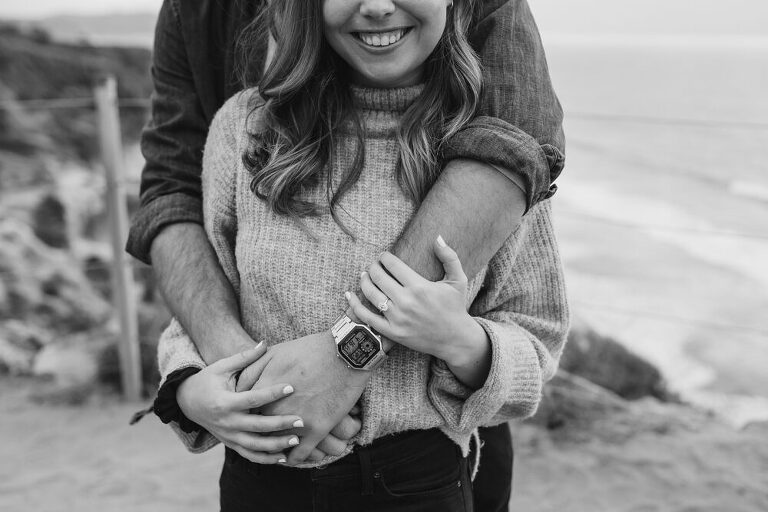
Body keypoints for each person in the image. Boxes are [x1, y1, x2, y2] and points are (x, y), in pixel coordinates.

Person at [128, 0, 565, 510]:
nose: (377, 6)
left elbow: (536, 341)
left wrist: (461, 341)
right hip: (261, 483)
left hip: (423, 483)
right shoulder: (244, 130)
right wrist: (188, 390)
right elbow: (204, 302)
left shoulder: (493, 152)